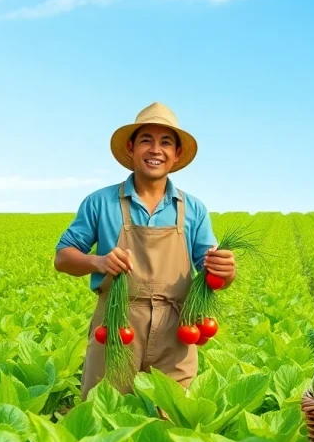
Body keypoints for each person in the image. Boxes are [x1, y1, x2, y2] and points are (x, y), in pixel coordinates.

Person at [53, 102, 237, 400]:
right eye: (146, 140)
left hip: (176, 328)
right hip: (116, 324)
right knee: (105, 413)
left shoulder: (193, 209)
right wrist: (97, 260)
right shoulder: (100, 202)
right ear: (131, 148)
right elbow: (63, 258)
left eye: (166, 142)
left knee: (172, 419)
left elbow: (213, 274)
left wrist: (225, 271)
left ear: (176, 154)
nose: (156, 150)